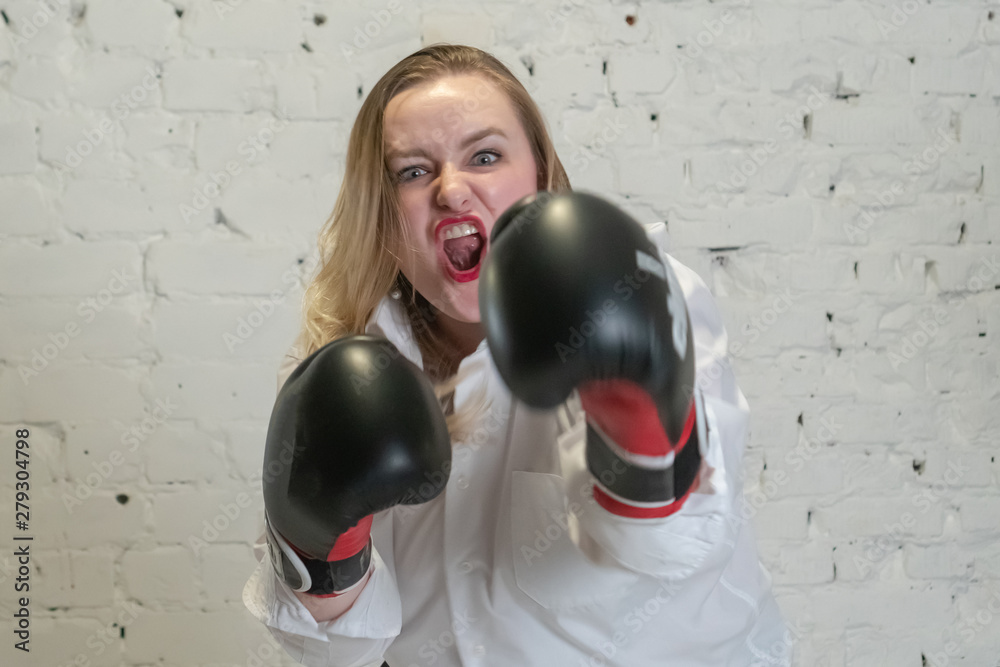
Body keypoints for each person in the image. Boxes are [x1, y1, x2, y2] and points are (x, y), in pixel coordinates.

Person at [242, 43, 791, 667]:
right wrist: (321, 548)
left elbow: (671, 545)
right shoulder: (341, 363)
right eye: (413, 171)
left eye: (484, 156)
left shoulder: (635, 293)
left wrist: (632, 411)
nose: (452, 191)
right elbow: (343, 653)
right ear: (384, 216)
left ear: (539, 176)